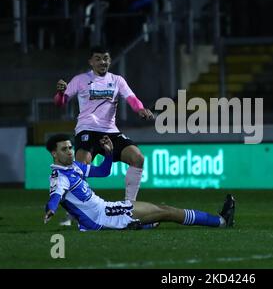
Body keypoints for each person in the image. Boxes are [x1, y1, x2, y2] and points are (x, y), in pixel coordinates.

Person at [43, 134, 236, 231]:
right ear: (54, 154)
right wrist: (51, 209)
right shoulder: (60, 178)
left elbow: (103, 171)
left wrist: (109, 153)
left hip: (106, 211)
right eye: (64, 149)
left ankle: (138, 225)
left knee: (158, 216)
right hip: (105, 216)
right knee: (165, 211)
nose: (69, 151)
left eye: (70, 147)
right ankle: (221, 222)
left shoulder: (74, 167)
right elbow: (55, 196)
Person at [54, 46, 154, 226]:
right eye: (98, 59)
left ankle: (129, 206)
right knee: (80, 166)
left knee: (138, 158)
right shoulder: (81, 80)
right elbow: (61, 103)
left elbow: (132, 98)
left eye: (106, 58)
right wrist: (61, 93)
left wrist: (140, 110)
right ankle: (75, 214)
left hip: (110, 131)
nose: (103, 62)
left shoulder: (117, 80)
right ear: (91, 62)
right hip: (87, 130)